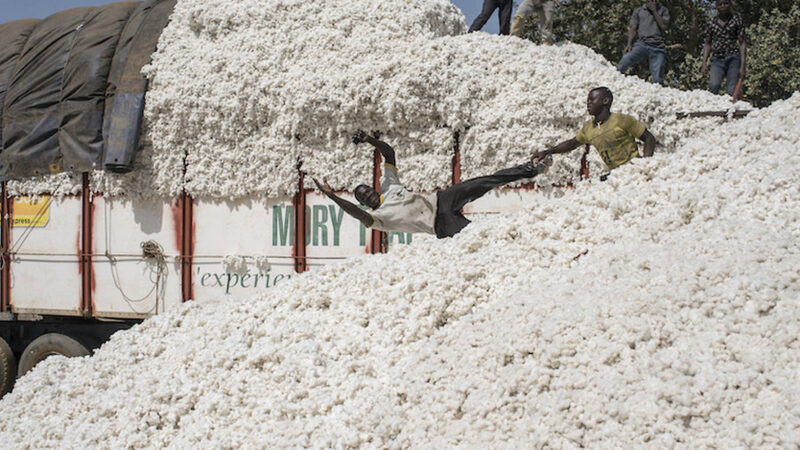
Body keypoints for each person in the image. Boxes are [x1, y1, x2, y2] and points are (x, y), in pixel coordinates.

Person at [313, 130, 551, 239]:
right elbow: (355, 213)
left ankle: (531, 169)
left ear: (374, 188)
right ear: (365, 205)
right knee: (478, 236)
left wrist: (369, 140)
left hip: (441, 199)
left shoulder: (388, 186)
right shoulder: (379, 219)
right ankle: (523, 241)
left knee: (482, 182)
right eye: (364, 199)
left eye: (367, 191)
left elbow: (390, 154)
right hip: (439, 224)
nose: (368, 196)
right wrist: (332, 197)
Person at [532, 87, 656, 177]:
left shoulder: (622, 120)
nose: (588, 103)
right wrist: (548, 151)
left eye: (592, 100)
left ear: (605, 101)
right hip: (616, 175)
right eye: (587, 100)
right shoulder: (589, 128)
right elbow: (572, 143)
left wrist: (644, 166)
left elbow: (649, 138)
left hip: (633, 170)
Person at [617, 2, 671, 85]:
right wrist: (629, 44)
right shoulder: (638, 11)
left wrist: (654, 11)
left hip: (658, 47)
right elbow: (633, 28)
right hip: (641, 44)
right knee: (626, 59)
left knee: (658, 78)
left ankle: (657, 93)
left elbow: (664, 26)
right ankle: (615, 79)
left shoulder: (663, 10)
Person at [702, 0, 746, 96]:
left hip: (733, 57)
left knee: (731, 89)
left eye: (725, 3)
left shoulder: (736, 20)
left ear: (730, 5)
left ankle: (733, 108)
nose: (723, 6)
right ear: (716, 6)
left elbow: (742, 43)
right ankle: (711, 109)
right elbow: (708, 43)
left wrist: (742, 65)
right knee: (713, 86)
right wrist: (704, 62)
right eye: (720, 4)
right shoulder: (711, 22)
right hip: (717, 59)